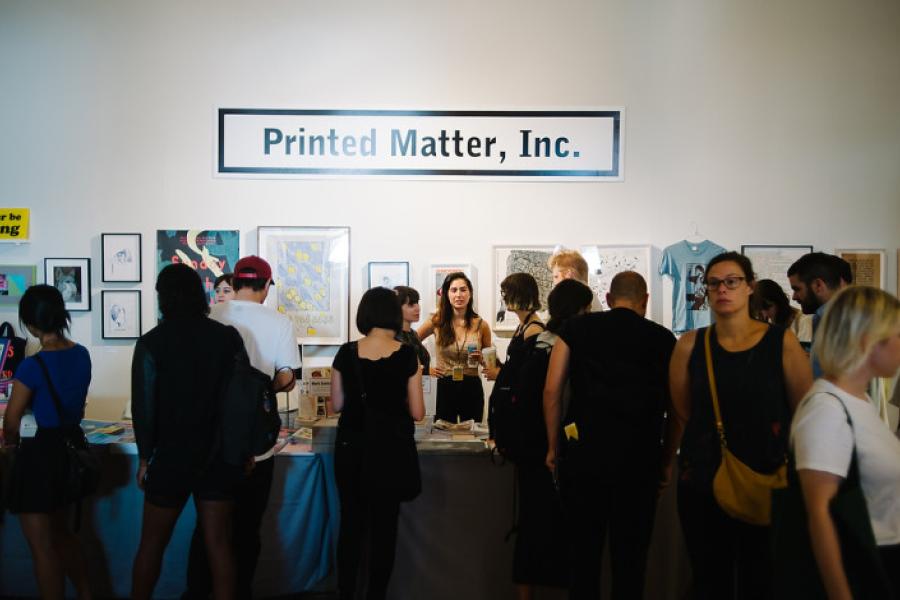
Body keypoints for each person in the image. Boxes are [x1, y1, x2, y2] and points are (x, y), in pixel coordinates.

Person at [663, 251, 813, 599]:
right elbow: (683, 410)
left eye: (732, 281)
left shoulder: (781, 342)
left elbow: (804, 408)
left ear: (749, 287)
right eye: (713, 283)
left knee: (760, 579)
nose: (722, 289)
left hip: (766, 476)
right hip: (703, 479)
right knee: (709, 579)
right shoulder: (690, 345)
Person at [544, 273, 675, 599]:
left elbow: (551, 391)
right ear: (644, 299)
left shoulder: (574, 329)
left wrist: (553, 446)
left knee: (583, 558)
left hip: (583, 459)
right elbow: (678, 408)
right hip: (639, 461)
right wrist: (666, 459)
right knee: (630, 561)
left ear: (608, 296)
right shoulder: (663, 339)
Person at [183, 256, 300, 599]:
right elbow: (287, 376)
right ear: (266, 286)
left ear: (233, 284)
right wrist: (264, 389)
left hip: (209, 438)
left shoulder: (211, 315)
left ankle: (198, 592)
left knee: (207, 528)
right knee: (247, 529)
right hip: (255, 442)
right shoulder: (280, 322)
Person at [131, 264, 245, 600]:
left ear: (162, 298)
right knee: (220, 545)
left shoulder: (151, 343)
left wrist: (143, 457)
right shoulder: (227, 337)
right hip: (219, 454)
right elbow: (239, 401)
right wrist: (242, 450)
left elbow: (144, 408)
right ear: (201, 294)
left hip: (171, 456)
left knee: (151, 544)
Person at [790, 286, 900, 598]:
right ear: (868, 340)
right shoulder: (827, 409)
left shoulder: (859, 400)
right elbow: (819, 514)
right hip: (860, 571)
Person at [491, 276, 591, 600]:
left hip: (526, 440)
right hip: (545, 443)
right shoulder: (558, 339)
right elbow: (552, 395)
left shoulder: (540, 335)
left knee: (531, 522)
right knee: (557, 522)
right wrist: (553, 444)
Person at [330, 287, 425, 600]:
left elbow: (337, 404)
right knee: (385, 530)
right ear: (394, 315)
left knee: (351, 525)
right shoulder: (408, 354)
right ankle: (376, 594)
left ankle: (346, 593)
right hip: (391, 452)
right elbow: (418, 413)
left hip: (351, 449)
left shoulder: (346, 352)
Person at [1, 285, 92, 599]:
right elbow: (76, 407)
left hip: (39, 457)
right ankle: (85, 594)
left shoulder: (32, 366)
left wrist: (10, 447)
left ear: (31, 324)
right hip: (70, 451)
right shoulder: (81, 354)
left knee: (42, 549)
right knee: (63, 534)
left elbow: (11, 422)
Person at [417, 272, 491, 423]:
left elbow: (489, 362)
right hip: (444, 385)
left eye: (463, 290)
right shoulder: (436, 321)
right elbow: (411, 342)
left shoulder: (481, 324)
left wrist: (482, 359)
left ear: (470, 294)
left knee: (472, 435)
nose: (459, 295)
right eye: (454, 290)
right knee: (442, 435)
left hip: (471, 386)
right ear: (446, 294)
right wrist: (425, 369)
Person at [787, 252, 851, 377]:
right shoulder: (821, 318)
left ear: (818, 285)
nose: (794, 297)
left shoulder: (844, 321)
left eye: (797, 289)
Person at [752, 279, 812, 347]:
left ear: (779, 301)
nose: (765, 314)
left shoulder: (804, 322)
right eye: (759, 310)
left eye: (767, 307)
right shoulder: (765, 321)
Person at [394, 285, 430, 375]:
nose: (417, 308)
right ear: (397, 307)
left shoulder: (413, 334)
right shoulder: (391, 336)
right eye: (410, 305)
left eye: (417, 302)